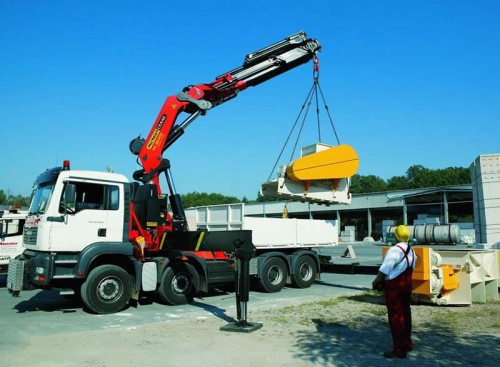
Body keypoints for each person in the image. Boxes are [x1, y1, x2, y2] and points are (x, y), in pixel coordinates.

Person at [372, 224, 416, 359]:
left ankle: (399, 349)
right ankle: (407, 343)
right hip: (406, 286)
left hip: (394, 288)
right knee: (406, 314)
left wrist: (376, 282)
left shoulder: (394, 251)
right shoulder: (412, 251)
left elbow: (384, 270)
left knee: (395, 317)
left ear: (396, 236)